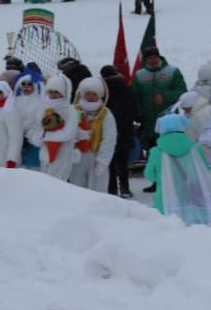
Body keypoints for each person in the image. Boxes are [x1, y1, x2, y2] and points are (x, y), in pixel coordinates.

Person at [143, 113, 211, 226]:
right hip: (194, 204)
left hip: (165, 203)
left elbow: (149, 175)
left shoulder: (156, 152)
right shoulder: (196, 149)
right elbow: (205, 171)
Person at [132, 45, 188, 153]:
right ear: (146, 59)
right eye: (149, 58)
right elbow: (136, 97)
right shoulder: (139, 75)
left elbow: (182, 91)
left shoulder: (172, 71)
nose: (153, 60)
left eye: (155, 57)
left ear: (159, 56)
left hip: (170, 122)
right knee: (154, 154)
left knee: (171, 151)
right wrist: (138, 113)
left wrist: (165, 96)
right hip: (149, 124)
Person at [68, 76, 117, 192]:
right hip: (77, 155)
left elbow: (109, 138)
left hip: (96, 156)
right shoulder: (73, 110)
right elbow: (67, 131)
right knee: (76, 187)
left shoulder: (105, 114)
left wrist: (103, 160)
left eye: (93, 94)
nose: (90, 97)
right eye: (88, 94)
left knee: (97, 188)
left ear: (99, 95)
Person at [100, 64, 138, 197]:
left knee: (109, 161)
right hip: (124, 128)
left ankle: (112, 189)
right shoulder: (126, 88)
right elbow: (134, 108)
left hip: (107, 129)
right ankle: (125, 189)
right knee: (122, 161)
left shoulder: (103, 91)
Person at [39, 73, 81, 182]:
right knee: (45, 181)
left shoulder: (69, 110)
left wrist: (47, 136)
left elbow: (69, 132)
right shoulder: (44, 107)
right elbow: (37, 128)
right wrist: (38, 137)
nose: (53, 95)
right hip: (45, 152)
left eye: (56, 92)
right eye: (51, 91)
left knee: (57, 183)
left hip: (63, 153)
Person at [12, 71, 46, 168]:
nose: (26, 87)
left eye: (29, 84)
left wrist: (29, 135)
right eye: (24, 84)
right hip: (17, 138)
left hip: (33, 139)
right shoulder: (15, 101)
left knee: (32, 168)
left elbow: (40, 122)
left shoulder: (40, 102)